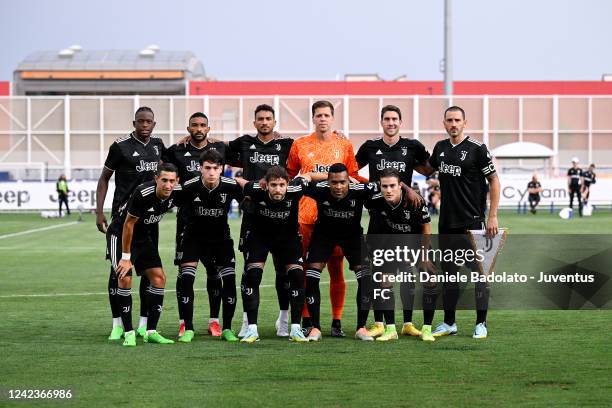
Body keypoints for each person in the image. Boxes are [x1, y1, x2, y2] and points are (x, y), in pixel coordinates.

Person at [286, 100, 366, 338]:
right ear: (313, 118)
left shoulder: (344, 144)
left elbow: (352, 177)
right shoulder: (300, 144)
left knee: (337, 270)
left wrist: (313, 175)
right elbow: (291, 176)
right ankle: (309, 320)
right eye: (318, 115)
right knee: (304, 270)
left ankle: (337, 321)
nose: (322, 119)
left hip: (335, 219)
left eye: (326, 115)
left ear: (332, 118)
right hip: (305, 217)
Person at [423, 105, 500, 340]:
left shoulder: (477, 149)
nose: (453, 124)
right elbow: (425, 168)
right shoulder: (441, 148)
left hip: (473, 223)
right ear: (444, 123)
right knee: (449, 275)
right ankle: (449, 323)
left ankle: (481, 324)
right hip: (447, 223)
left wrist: (492, 215)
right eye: (449, 120)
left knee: (480, 274)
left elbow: (494, 181)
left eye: (457, 120)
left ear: (465, 123)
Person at [354, 104, 431, 338]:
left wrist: (409, 189)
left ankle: (407, 323)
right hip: (379, 215)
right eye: (386, 119)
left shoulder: (412, 146)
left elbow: (427, 170)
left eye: (394, 119)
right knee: (380, 274)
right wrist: (369, 189)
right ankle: (380, 323)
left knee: (406, 272)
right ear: (381, 122)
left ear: (400, 122)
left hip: (405, 215)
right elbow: (351, 169)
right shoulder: (370, 147)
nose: (391, 123)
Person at [225, 104, 295, 338]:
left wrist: (337, 135)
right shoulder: (244, 142)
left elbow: (307, 152)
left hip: (283, 214)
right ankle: (247, 322)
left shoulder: (287, 145)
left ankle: (283, 320)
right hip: (253, 214)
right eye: (260, 119)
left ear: (274, 122)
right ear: (254, 122)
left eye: (268, 118)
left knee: (283, 273)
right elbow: (216, 147)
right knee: (251, 273)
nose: (264, 122)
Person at [96, 107, 165, 341]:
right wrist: (99, 211)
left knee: (149, 271)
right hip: (123, 218)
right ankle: (117, 324)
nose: (145, 125)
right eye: (141, 121)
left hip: (148, 222)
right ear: (134, 122)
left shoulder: (158, 145)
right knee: (119, 272)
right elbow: (104, 178)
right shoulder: (120, 146)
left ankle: (145, 324)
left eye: (149, 122)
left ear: (154, 124)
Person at [163, 112, 228, 338]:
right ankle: (184, 323)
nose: (199, 128)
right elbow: (162, 169)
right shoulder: (176, 151)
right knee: (186, 275)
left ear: (208, 129)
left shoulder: (221, 147)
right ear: (188, 128)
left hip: (215, 225)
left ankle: (214, 321)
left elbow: (246, 151)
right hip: (187, 224)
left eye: (203, 125)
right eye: (194, 125)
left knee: (214, 273)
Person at [300, 163, 379, 341]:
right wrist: (307, 176)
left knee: (366, 279)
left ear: (349, 181)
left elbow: (387, 185)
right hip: (323, 236)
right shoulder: (319, 188)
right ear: (328, 182)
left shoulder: (360, 189)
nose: (338, 187)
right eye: (334, 182)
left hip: (352, 237)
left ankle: (361, 327)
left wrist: (408, 190)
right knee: (311, 277)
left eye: (343, 182)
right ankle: (315, 328)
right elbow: (297, 183)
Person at [107, 163, 181, 347]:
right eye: (164, 180)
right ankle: (129, 332)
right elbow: (128, 225)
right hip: (120, 233)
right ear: (156, 179)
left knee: (159, 278)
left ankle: (151, 331)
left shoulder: (178, 193)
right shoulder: (143, 193)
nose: (168, 185)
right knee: (124, 278)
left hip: (143, 236)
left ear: (177, 181)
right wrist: (126, 258)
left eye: (172, 181)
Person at [235, 166, 310, 343]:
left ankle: (294, 328)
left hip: (288, 239)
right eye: (274, 185)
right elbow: (240, 182)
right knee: (253, 275)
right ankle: (251, 329)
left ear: (288, 184)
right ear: (265, 185)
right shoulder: (255, 189)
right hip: (260, 238)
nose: (278, 189)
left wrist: (352, 179)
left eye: (282, 185)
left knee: (297, 275)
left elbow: (310, 175)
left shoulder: (297, 189)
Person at [175, 150, 242, 342]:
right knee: (187, 279)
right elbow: (169, 201)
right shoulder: (188, 186)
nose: (211, 172)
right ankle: (188, 327)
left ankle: (226, 327)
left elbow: (249, 202)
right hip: (192, 239)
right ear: (200, 169)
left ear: (221, 169)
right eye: (207, 168)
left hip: (221, 240)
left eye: (215, 168)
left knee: (229, 280)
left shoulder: (230, 185)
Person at [364, 168, 433, 341]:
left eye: (392, 186)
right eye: (384, 186)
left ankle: (427, 328)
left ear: (400, 186)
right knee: (384, 281)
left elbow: (426, 228)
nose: (388, 190)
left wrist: (423, 257)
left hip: (417, 244)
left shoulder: (415, 201)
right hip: (389, 244)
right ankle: (391, 329)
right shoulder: (375, 200)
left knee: (430, 278)